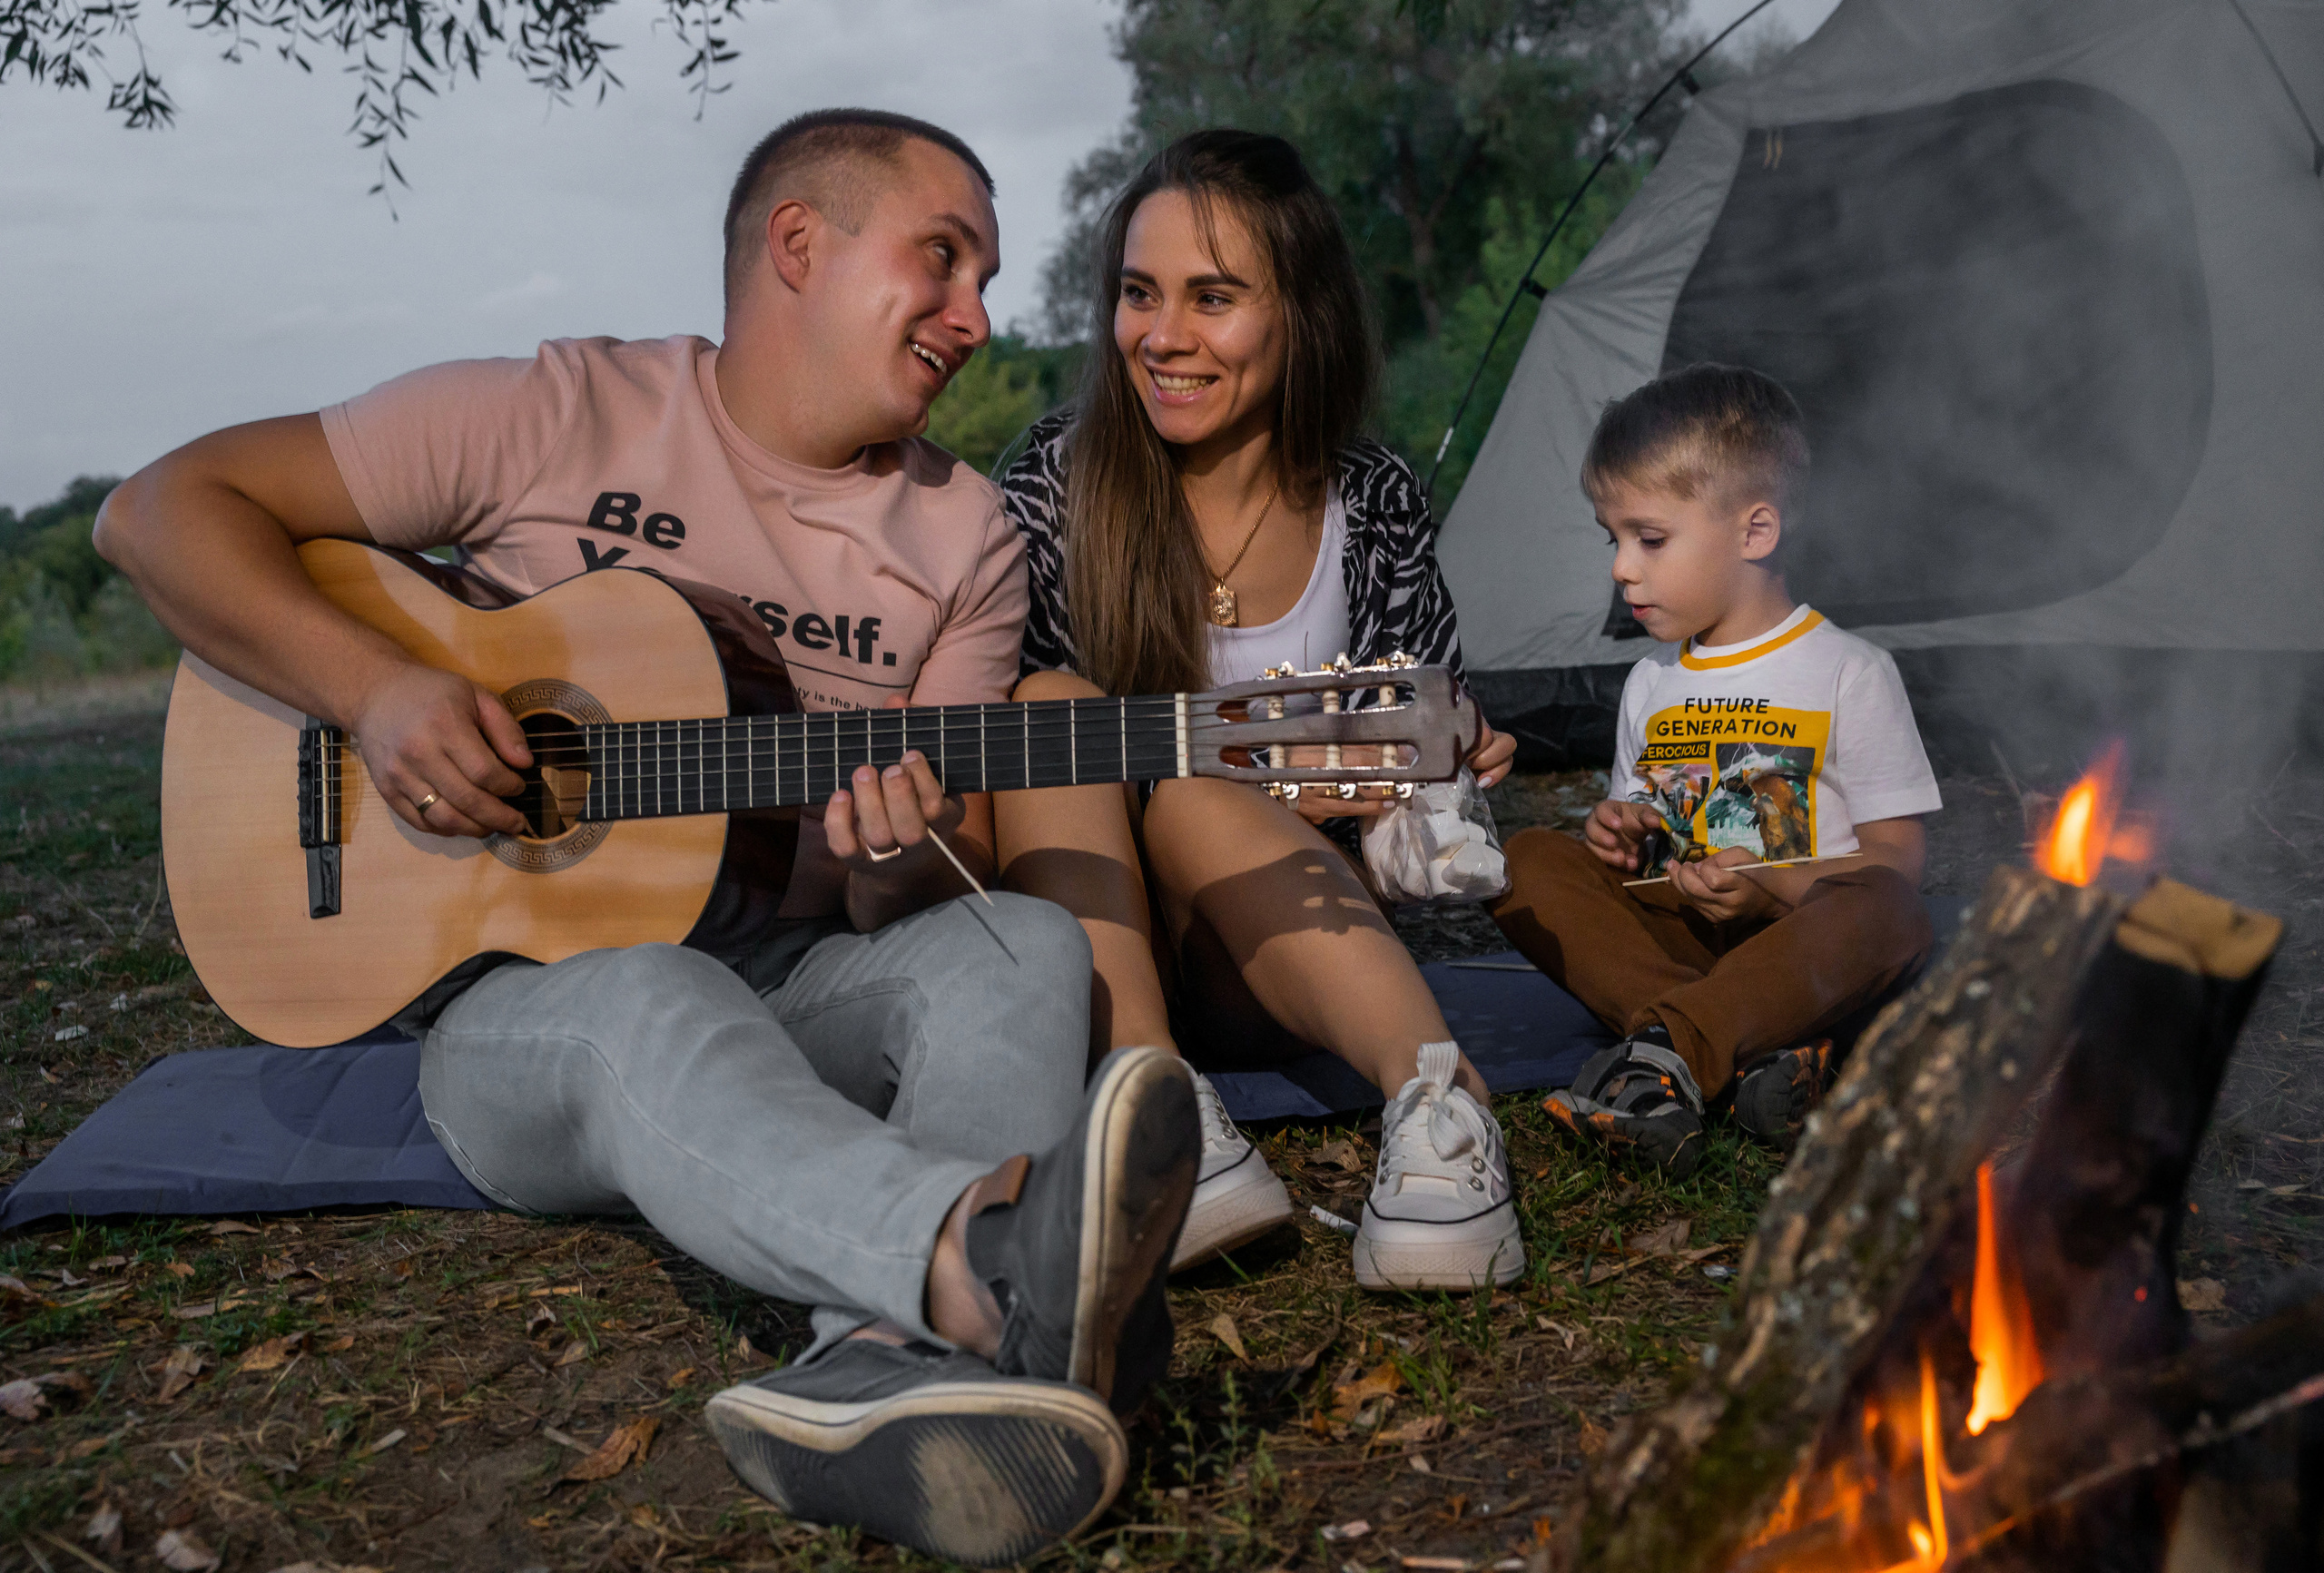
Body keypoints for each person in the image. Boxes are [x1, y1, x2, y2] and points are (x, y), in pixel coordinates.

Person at [94, 109, 1196, 1568]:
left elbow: (921, 887)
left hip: (798, 973)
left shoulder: (966, 536)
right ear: (799, 245)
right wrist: (379, 694)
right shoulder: (549, 412)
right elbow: (159, 511)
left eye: (984, 280)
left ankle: (894, 1369)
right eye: (942, 260)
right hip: (528, 1017)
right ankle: (982, 1268)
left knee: (1024, 939)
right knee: (650, 991)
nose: (977, 317)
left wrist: (883, 860)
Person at [992, 130, 1522, 1293]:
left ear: (1301, 313)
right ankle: (1155, 1112)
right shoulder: (1051, 484)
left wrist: (1442, 763)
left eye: (1213, 298)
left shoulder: (1372, 500)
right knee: (1044, 706)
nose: (1163, 336)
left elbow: (1424, 777)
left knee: (1196, 787)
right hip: (1090, 947)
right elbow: (1001, 785)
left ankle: (1439, 1110)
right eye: (1140, 293)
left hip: (1292, 952)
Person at [1489, 363, 1941, 1178]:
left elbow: (1897, 863)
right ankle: (1727, 1057)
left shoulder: (1848, 670)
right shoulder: (1651, 682)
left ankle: (1666, 1054)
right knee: (1524, 860)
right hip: (1684, 946)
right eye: (1613, 539)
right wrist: (1619, 834)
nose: (1622, 568)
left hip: (1800, 953)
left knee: (1891, 909)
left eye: (1649, 539)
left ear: (1755, 531)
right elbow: (1636, 851)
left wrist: (1771, 886)